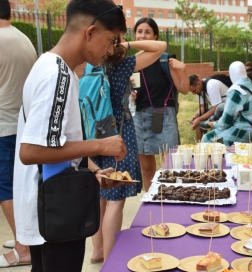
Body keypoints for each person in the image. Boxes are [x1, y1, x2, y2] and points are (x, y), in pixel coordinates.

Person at [13, 1, 130, 271]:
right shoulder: (56, 75)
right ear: (90, 32)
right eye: (111, 40)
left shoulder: (52, 67)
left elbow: (57, 141)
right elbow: (30, 151)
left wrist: (93, 170)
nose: (112, 50)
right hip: (54, 211)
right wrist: (101, 144)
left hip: (52, 206)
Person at [89, 38, 166, 262]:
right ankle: (111, 260)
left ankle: (97, 251)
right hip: (118, 133)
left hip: (92, 132)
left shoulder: (89, 63)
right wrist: (128, 43)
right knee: (115, 197)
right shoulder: (122, 64)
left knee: (100, 194)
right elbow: (160, 47)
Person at [133, 17, 189, 192]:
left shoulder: (165, 60)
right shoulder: (131, 62)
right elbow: (133, 91)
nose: (143, 35)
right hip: (140, 117)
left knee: (169, 167)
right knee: (147, 168)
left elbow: (184, 89)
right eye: (139, 31)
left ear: (155, 36)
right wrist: (131, 95)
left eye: (147, 31)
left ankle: (170, 200)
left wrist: (183, 69)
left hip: (164, 117)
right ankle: (151, 202)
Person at [0, 0, 36, 267]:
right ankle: (25, 237)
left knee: (6, 190)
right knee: (23, 186)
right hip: (23, 124)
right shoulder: (24, 38)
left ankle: (23, 248)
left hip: (3, 127)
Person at [202, 61, 252, 146]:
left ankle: (222, 159)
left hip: (245, 130)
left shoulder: (237, 90)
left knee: (207, 139)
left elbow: (227, 120)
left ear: (231, 74)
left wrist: (215, 124)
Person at [189, 74, 230, 140]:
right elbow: (203, 107)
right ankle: (199, 146)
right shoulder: (199, 89)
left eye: (194, 91)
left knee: (202, 121)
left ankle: (209, 141)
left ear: (198, 83)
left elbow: (215, 108)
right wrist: (196, 116)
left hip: (226, 107)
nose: (193, 93)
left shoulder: (211, 85)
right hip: (217, 108)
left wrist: (199, 119)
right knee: (197, 123)